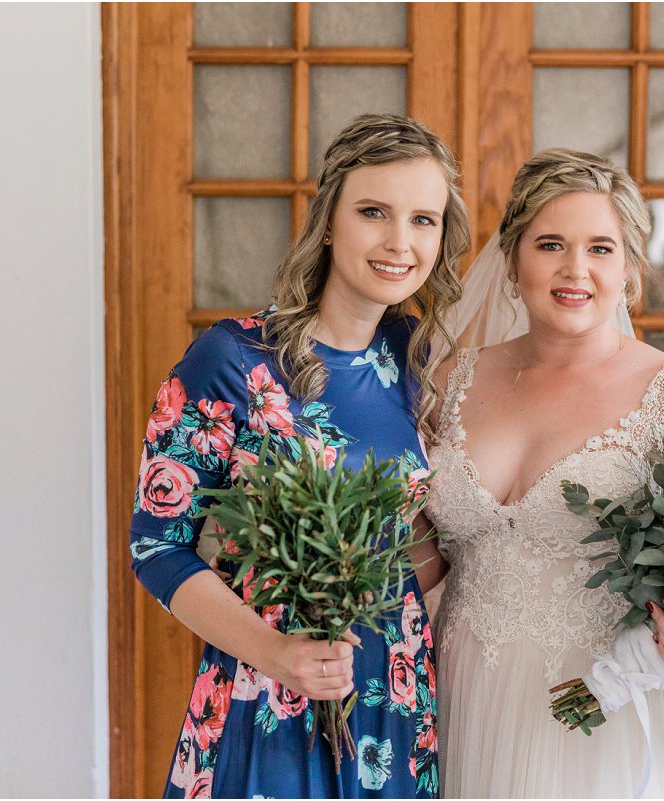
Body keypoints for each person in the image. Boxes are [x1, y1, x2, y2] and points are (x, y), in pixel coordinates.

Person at [129, 113, 469, 799]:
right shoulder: (232, 358)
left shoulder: (414, 357)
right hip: (269, 689)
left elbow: (416, 540)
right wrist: (280, 654)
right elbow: (156, 547)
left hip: (392, 687)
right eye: (373, 212)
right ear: (329, 220)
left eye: (423, 220)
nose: (400, 242)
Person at [418, 149, 664, 798]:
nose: (575, 269)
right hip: (464, 699)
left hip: (598, 715)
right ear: (512, 258)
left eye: (600, 248)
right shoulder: (449, 383)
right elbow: (422, 562)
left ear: (630, 268)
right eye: (551, 244)